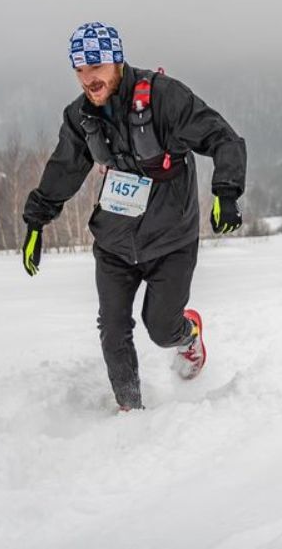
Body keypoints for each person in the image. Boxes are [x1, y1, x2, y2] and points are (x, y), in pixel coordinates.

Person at [21, 22, 247, 412]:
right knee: (112, 330)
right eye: (79, 69)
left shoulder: (163, 97)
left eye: (96, 67)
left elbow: (222, 138)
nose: (88, 79)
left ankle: (188, 333)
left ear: (117, 60)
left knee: (161, 328)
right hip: (113, 242)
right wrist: (36, 221)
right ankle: (130, 409)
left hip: (171, 239)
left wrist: (226, 192)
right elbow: (64, 168)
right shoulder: (80, 116)